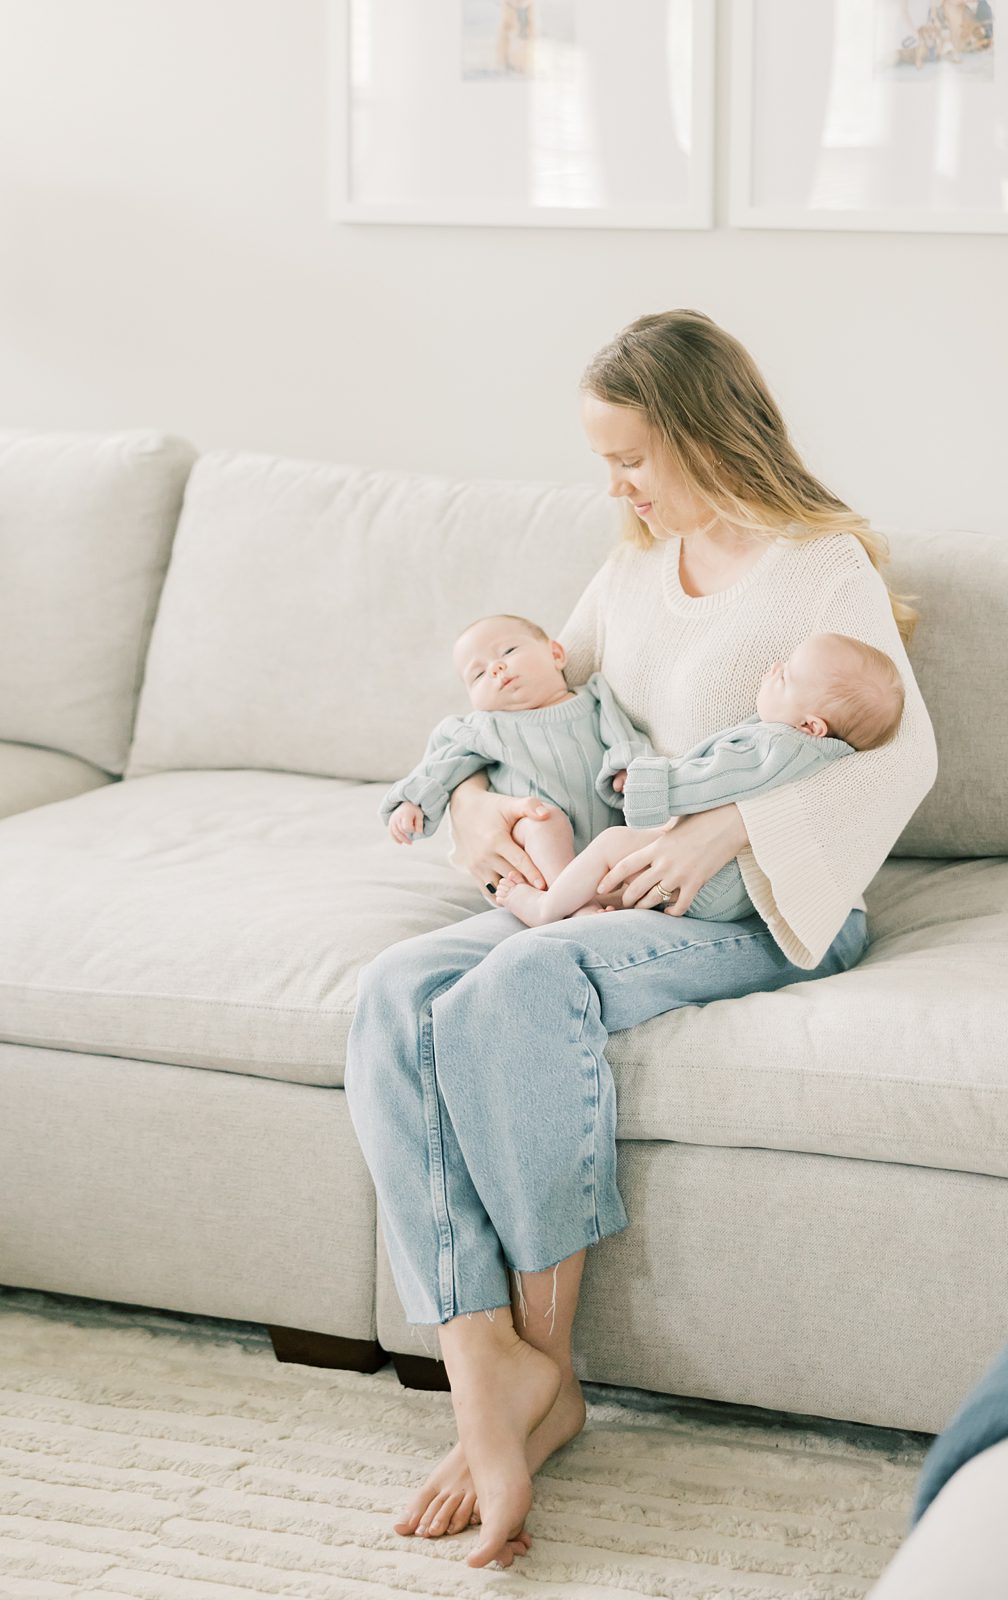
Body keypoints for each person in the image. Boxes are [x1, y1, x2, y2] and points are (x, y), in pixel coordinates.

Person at [343, 309, 938, 1572]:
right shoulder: (626, 569)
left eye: (631, 458)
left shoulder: (817, 566)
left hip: (768, 912)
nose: (613, 485)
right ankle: (480, 1357)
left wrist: (720, 833)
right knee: (398, 989)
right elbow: (528, 700)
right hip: (617, 889)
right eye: (605, 459)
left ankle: (547, 1371)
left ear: (707, 433)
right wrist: (470, 809)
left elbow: (899, 751)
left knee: (529, 976)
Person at [496, 631, 905, 928]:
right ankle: (587, 905)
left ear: (812, 725)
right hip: (715, 877)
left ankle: (545, 909)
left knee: (612, 844)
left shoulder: (780, 746)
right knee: (625, 855)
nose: (775, 668)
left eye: (786, 676)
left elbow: (712, 777)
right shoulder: (798, 742)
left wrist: (650, 782)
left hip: (715, 879)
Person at [382, 612, 652, 919]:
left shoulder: (595, 699)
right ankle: (567, 906)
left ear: (556, 654)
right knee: (542, 819)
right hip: (531, 850)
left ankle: (570, 902)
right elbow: (442, 762)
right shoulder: (487, 728)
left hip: (603, 842)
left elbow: (622, 737)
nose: (495, 668)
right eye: (478, 675)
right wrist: (411, 802)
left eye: (508, 652)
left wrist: (627, 769)